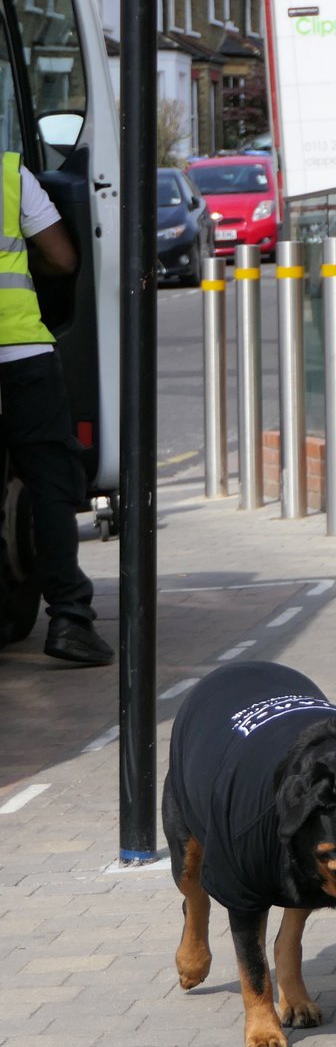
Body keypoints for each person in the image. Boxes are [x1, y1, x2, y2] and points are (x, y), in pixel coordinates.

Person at [0, 150, 114, 665]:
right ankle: (69, 618)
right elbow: (64, 258)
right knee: (49, 481)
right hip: (23, 353)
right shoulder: (8, 171)